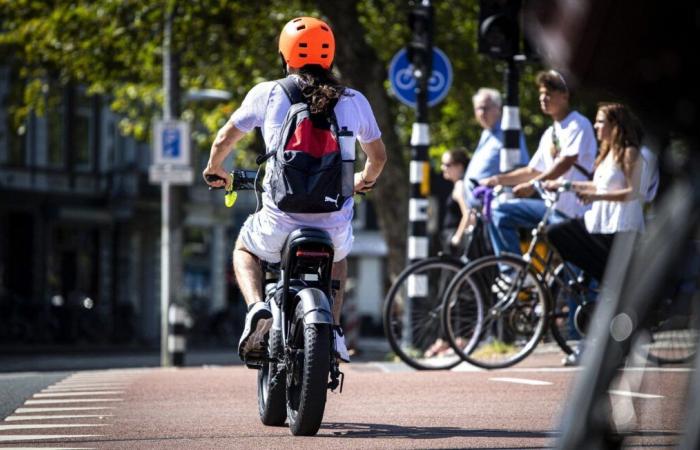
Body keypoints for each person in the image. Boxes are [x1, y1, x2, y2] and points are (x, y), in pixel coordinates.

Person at [203, 16, 387, 364]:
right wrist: (363, 179)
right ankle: (332, 330)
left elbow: (224, 138)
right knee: (339, 257)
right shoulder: (354, 100)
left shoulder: (268, 93)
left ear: (285, 57)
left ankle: (257, 308)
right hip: (332, 220)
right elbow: (378, 157)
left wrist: (215, 169)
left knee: (245, 248)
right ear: (330, 57)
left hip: (279, 219)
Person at [544, 102, 645, 365]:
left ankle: (623, 311)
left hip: (622, 229)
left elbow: (633, 192)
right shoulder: (606, 154)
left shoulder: (630, 153)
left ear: (616, 126)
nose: (596, 126)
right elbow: (597, 184)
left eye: (601, 122)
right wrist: (564, 184)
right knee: (557, 233)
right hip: (601, 225)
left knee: (560, 232)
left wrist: (596, 195)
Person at [480, 70, 597, 261]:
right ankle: (513, 271)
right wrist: (497, 179)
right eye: (541, 93)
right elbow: (532, 170)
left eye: (549, 93)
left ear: (565, 95)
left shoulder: (578, 124)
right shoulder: (549, 133)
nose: (543, 98)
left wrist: (533, 184)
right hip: (550, 209)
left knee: (576, 280)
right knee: (499, 212)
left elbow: (564, 163)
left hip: (573, 214)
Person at [463, 87, 529, 207]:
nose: (481, 113)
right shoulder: (486, 133)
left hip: (495, 208)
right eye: (478, 108)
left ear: (498, 109)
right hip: (476, 210)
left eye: (485, 108)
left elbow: (523, 169)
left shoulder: (509, 133)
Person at [440, 148, 471, 255]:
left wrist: (457, 237)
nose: (442, 168)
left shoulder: (460, 185)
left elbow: (467, 213)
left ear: (459, 166)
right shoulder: (458, 185)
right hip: (450, 235)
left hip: (454, 237)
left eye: (447, 165)